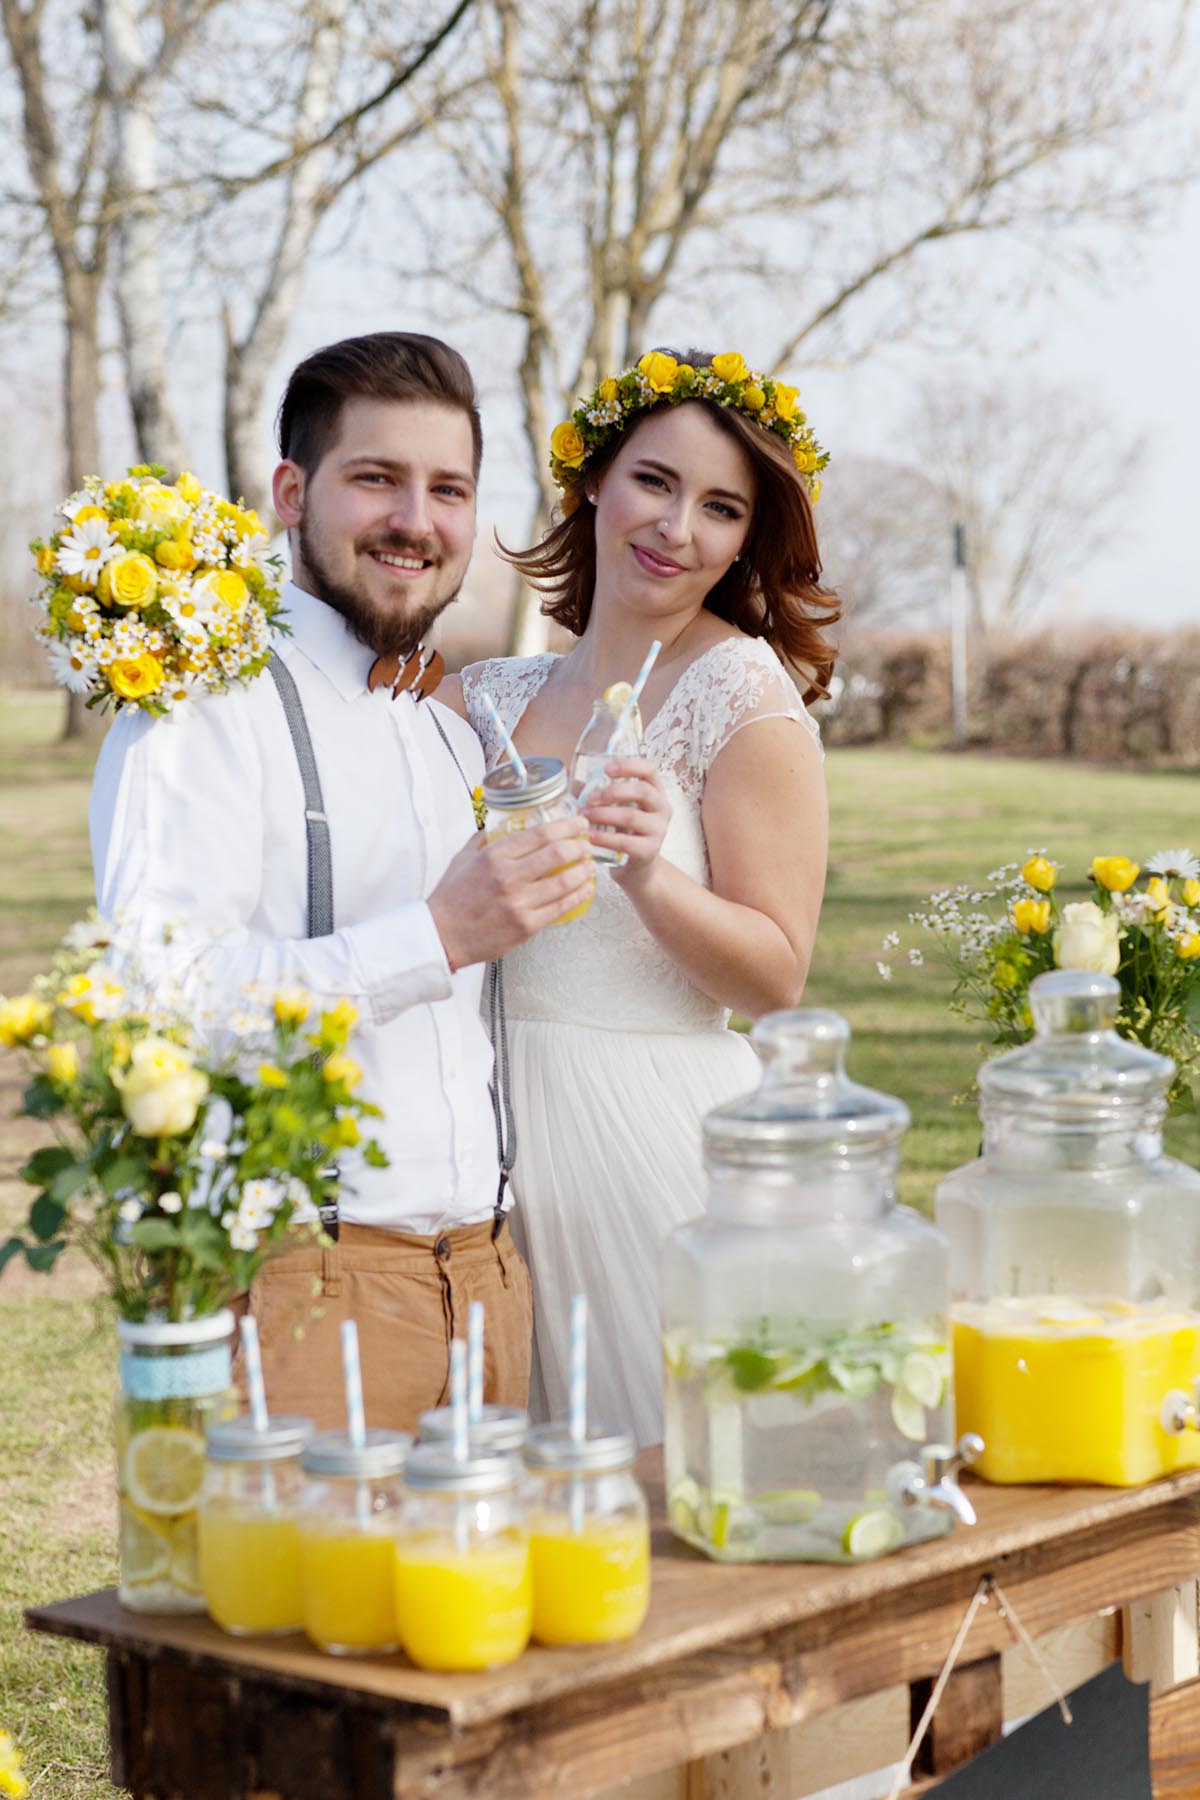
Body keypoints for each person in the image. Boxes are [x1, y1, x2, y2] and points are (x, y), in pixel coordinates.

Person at [90, 331, 595, 1433]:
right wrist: (436, 936)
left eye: (448, 488)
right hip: (301, 1288)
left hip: (495, 1290)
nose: (417, 520)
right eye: (377, 478)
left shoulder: (456, 732)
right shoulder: (200, 707)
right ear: (290, 492)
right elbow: (158, 1008)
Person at [437, 347, 838, 1445]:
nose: (677, 527)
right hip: (490, 1152)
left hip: (650, 1143)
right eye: (655, 482)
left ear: (746, 539)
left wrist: (654, 876)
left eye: (720, 507)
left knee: (672, 1488)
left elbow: (777, 979)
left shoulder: (745, 700)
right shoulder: (476, 699)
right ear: (595, 484)